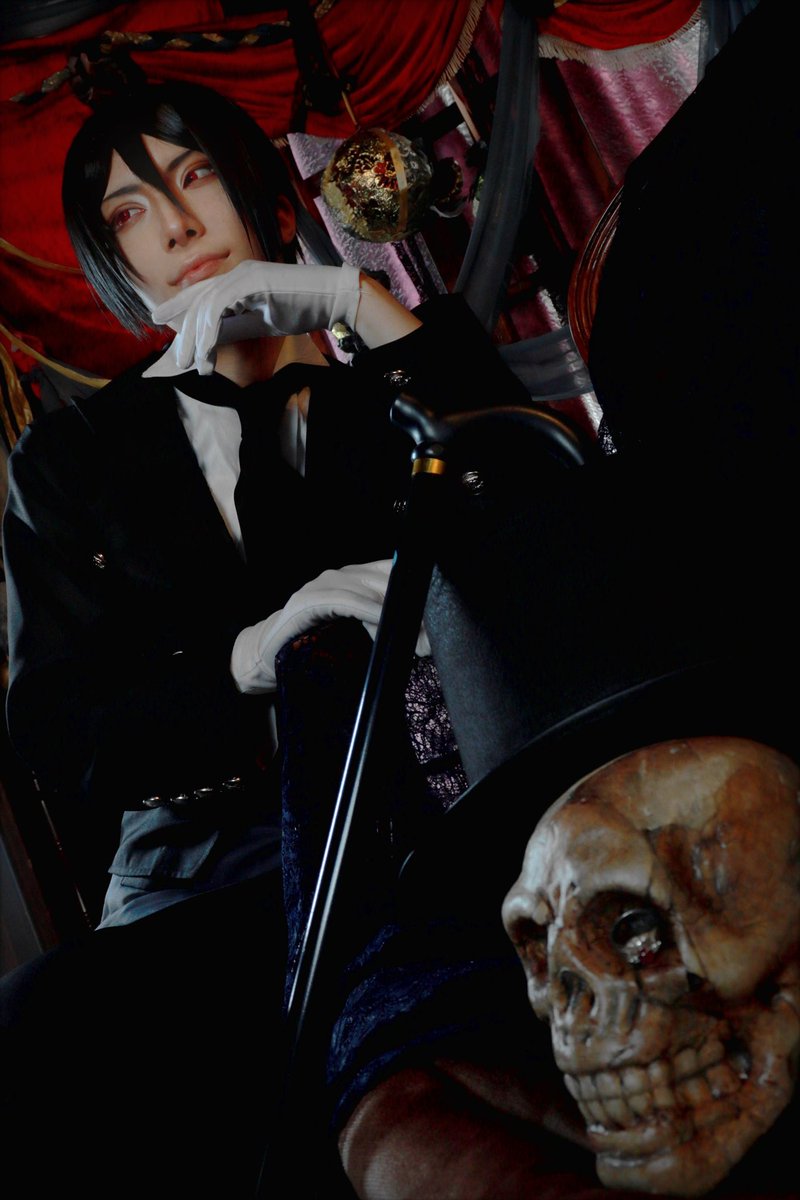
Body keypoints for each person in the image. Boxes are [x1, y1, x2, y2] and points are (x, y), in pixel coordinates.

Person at [0, 77, 531, 1196]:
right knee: (42, 1035)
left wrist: (354, 298)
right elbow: (62, 731)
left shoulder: (390, 387)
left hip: (424, 829)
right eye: (129, 211)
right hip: (204, 871)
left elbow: (538, 527)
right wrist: (249, 659)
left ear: (266, 196)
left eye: (193, 177)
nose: (175, 226)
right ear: (114, 260)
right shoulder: (73, 459)